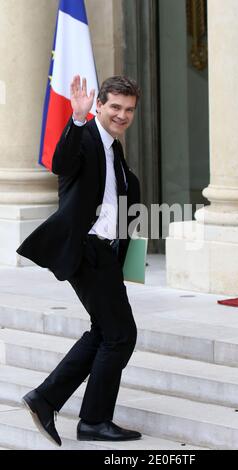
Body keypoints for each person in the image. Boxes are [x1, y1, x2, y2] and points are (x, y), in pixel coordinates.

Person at [16, 75, 142, 446]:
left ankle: (46, 399)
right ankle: (93, 420)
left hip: (105, 251)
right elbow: (61, 162)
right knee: (121, 335)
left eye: (129, 110)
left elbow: (119, 206)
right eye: (115, 107)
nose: (122, 115)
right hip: (85, 249)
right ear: (99, 105)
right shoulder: (86, 137)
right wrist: (76, 118)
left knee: (105, 332)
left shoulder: (114, 150)